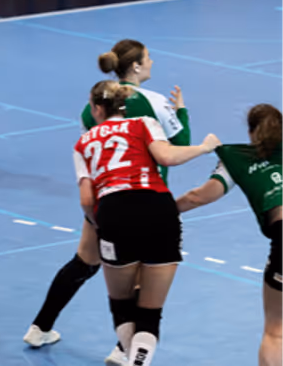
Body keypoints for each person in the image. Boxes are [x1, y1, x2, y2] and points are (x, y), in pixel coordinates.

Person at [25, 39, 192, 365]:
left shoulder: (93, 105)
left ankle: (40, 327)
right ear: (136, 66)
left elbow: (92, 148)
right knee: (141, 276)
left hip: (103, 200)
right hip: (146, 197)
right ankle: (124, 350)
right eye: (148, 58)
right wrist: (182, 111)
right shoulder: (155, 101)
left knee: (84, 262)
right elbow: (180, 143)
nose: (152, 62)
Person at [74, 80, 219, 366]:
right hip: (158, 209)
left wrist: (99, 224)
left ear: (97, 109)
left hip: (114, 212)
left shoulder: (84, 142)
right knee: (151, 313)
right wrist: (204, 148)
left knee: (121, 305)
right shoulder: (143, 123)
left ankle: (132, 358)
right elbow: (167, 156)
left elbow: (87, 200)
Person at [176, 104, 283, 366]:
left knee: (276, 332)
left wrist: (161, 210)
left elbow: (198, 196)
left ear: (251, 132)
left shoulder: (236, 158)